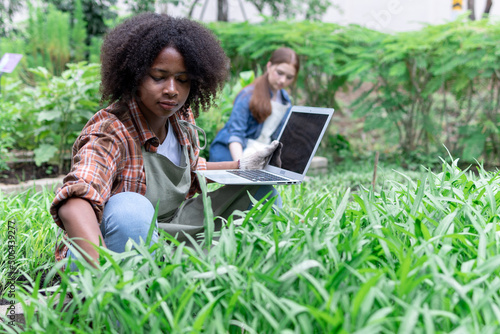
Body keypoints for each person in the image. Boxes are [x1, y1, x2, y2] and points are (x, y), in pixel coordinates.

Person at [49, 13, 281, 268]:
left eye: (182, 79)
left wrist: (242, 167)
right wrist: (100, 275)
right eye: (159, 76)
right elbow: (75, 202)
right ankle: (131, 287)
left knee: (261, 192)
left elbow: (189, 173)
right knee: (130, 208)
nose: (172, 89)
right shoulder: (110, 132)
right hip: (113, 242)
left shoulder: (180, 118)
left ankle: (238, 269)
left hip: (170, 228)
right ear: (134, 76)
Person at [209, 47, 300, 162]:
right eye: (279, 73)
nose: (283, 80)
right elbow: (235, 135)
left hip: (258, 155)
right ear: (269, 66)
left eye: (289, 77)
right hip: (231, 154)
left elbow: (277, 140)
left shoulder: (286, 102)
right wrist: (241, 166)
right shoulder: (248, 95)